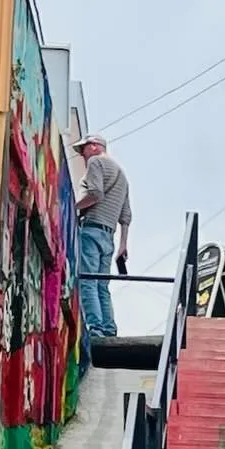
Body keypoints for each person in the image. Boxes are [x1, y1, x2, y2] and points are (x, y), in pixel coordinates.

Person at [74, 134, 131, 339]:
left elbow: (96, 193)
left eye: (84, 149)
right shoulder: (122, 175)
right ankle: (109, 328)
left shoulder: (96, 162)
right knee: (102, 285)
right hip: (110, 237)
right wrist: (123, 246)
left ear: (96, 147)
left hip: (91, 229)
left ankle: (95, 328)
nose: (83, 155)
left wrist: (73, 207)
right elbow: (126, 216)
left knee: (88, 281)